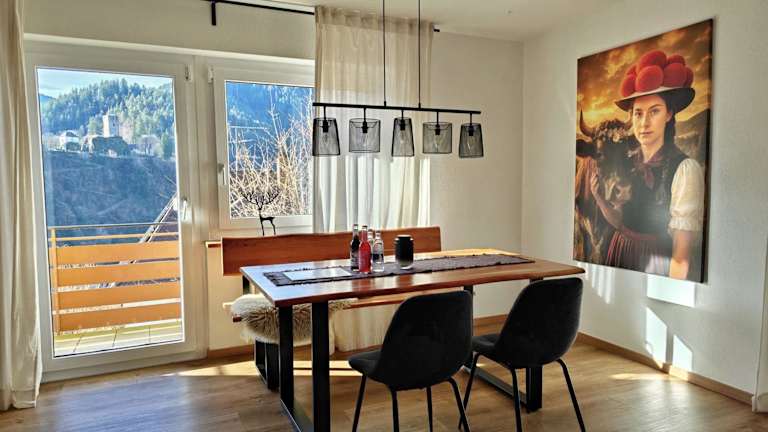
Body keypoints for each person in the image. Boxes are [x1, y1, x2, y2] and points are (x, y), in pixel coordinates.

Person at [590, 49, 705, 280]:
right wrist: (599, 198)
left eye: (654, 111)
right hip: (620, 252)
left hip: (655, 260)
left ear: (669, 114)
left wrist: (671, 291)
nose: (644, 123)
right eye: (638, 113)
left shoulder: (684, 169)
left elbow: (681, 254)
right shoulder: (628, 162)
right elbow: (620, 222)